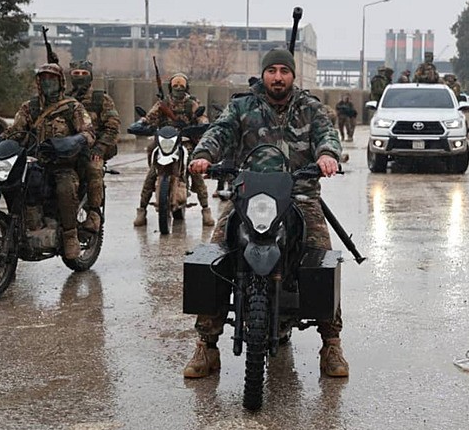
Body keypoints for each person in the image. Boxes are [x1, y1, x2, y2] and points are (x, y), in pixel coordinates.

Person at [185, 48, 348, 378]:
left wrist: (328, 155)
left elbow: (327, 135)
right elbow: (220, 131)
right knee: (215, 255)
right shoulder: (243, 105)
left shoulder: (310, 108)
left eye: (283, 71)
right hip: (248, 195)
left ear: (292, 75)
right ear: (263, 74)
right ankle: (206, 345)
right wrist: (203, 154)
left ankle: (331, 343)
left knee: (321, 257)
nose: (277, 76)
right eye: (271, 70)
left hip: (300, 196)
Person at [2, 63, 95, 259]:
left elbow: (88, 132)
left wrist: (73, 140)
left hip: (63, 165)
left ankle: (70, 235)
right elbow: (15, 132)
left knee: (65, 187)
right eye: (43, 79)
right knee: (14, 184)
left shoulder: (72, 107)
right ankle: (23, 229)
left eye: (52, 79)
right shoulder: (30, 107)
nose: (47, 82)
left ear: (60, 81)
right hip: (33, 163)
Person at [133, 73, 214, 228]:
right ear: (170, 87)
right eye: (175, 85)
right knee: (152, 173)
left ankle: (206, 210)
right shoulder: (163, 103)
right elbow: (149, 117)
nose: (178, 88)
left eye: (181, 85)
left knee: (194, 169)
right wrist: (141, 123)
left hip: (185, 141)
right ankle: (142, 210)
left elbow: (202, 117)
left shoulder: (192, 103)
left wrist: (202, 123)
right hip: (165, 141)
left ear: (186, 87)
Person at [68, 60, 121, 233]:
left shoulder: (101, 99)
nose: (80, 77)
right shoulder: (65, 99)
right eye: (76, 74)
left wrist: (100, 149)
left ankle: (94, 213)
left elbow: (113, 126)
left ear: (90, 76)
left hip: (94, 147)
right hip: (67, 148)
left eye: (84, 74)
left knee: (93, 169)